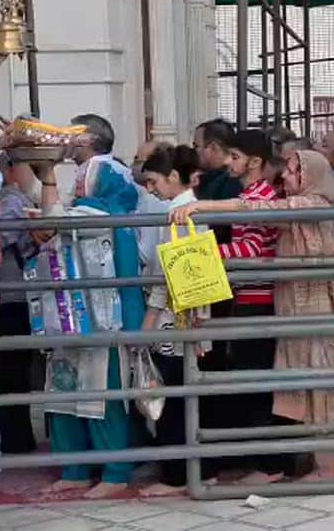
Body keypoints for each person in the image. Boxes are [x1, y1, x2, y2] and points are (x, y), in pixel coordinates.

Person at [172, 149, 334, 480]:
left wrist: (202, 206)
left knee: (320, 386)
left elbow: (260, 208)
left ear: (310, 175)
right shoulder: (298, 204)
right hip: (296, 313)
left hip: (320, 313)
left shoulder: (315, 204)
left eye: (292, 170)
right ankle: (318, 461)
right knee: (297, 386)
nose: (283, 176)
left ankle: (327, 462)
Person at [31, 154, 144, 499]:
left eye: (86, 174)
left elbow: (55, 223)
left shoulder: (112, 220)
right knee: (63, 396)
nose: (79, 180)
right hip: (66, 319)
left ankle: (115, 472)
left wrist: (47, 176)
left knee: (104, 400)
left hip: (104, 322)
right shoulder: (78, 212)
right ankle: (75, 469)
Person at [136, 144, 214, 496]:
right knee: (184, 398)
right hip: (191, 317)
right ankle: (191, 471)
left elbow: (167, 276)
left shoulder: (179, 215)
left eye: (153, 181)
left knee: (173, 400)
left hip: (175, 318)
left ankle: (178, 477)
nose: (150, 188)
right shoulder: (192, 210)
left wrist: (149, 320)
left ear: (172, 177)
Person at [214, 130, 287, 486]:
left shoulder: (259, 198)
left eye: (233, 156)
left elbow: (251, 250)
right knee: (252, 380)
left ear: (254, 162)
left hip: (259, 302)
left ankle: (268, 466)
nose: (227, 162)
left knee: (256, 382)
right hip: (253, 298)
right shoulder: (253, 195)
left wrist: (203, 255)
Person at [0, 152, 38, 456]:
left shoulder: (12, 200)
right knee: (11, 373)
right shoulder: (15, 199)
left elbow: (2, 236)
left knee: (8, 373)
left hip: (10, 297)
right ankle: (16, 438)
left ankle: (15, 440)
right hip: (13, 296)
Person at [193, 119, 243, 242]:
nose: (194, 151)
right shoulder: (211, 178)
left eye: (196, 146)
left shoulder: (231, 182)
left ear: (213, 147)